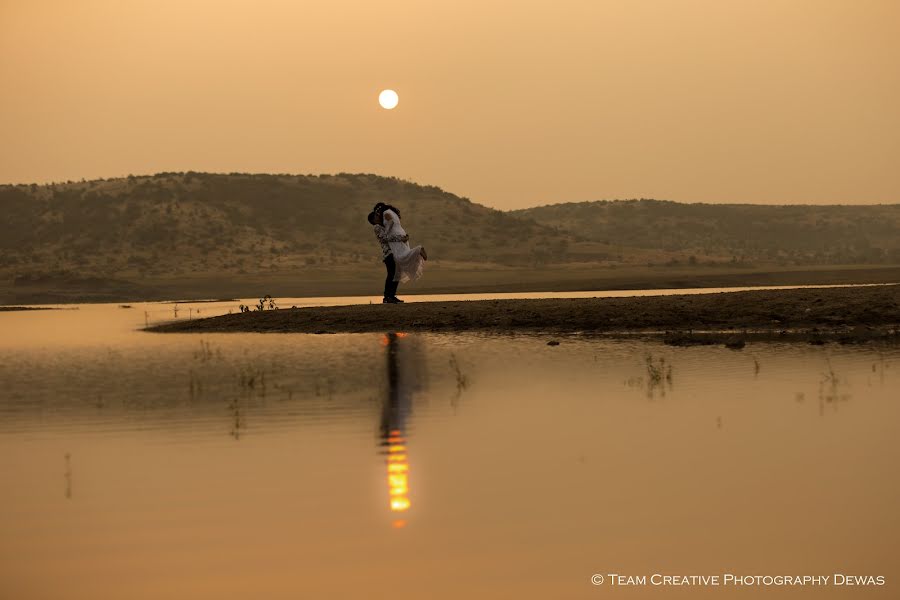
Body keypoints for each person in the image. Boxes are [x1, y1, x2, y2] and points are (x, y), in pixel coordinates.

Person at [368, 203, 427, 304]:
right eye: (376, 217)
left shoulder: (382, 225)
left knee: (396, 274)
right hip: (388, 254)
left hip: (393, 252)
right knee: (391, 274)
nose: (379, 217)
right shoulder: (377, 227)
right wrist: (400, 238)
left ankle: (392, 296)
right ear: (373, 220)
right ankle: (387, 296)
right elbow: (385, 239)